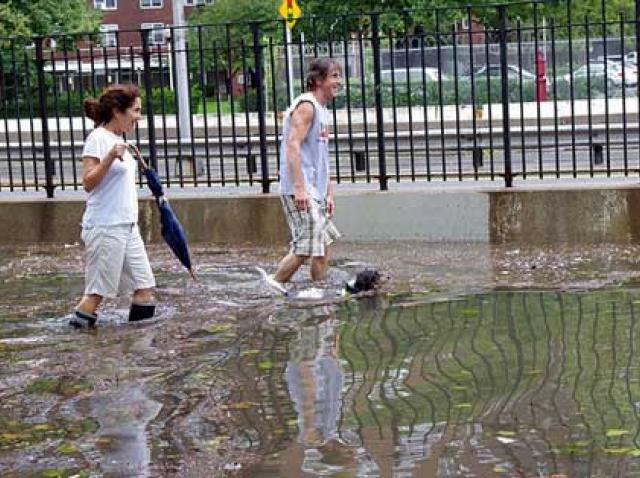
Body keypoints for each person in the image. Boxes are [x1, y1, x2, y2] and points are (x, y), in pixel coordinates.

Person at [70, 84, 156, 328]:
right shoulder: (98, 138)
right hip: (106, 226)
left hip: (127, 227)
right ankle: (77, 341)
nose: (139, 117)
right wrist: (109, 157)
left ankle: (138, 344)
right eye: (136, 111)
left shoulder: (119, 140)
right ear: (118, 111)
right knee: (96, 294)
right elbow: (88, 183)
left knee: (144, 290)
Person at [261, 58, 342, 295]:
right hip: (300, 189)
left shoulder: (322, 110)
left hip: (315, 191)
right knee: (306, 245)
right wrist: (299, 188)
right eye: (334, 76)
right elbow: (292, 146)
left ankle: (319, 292)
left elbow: (321, 157)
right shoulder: (306, 106)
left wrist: (328, 193)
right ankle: (272, 287)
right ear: (317, 80)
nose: (339, 81)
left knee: (323, 245)